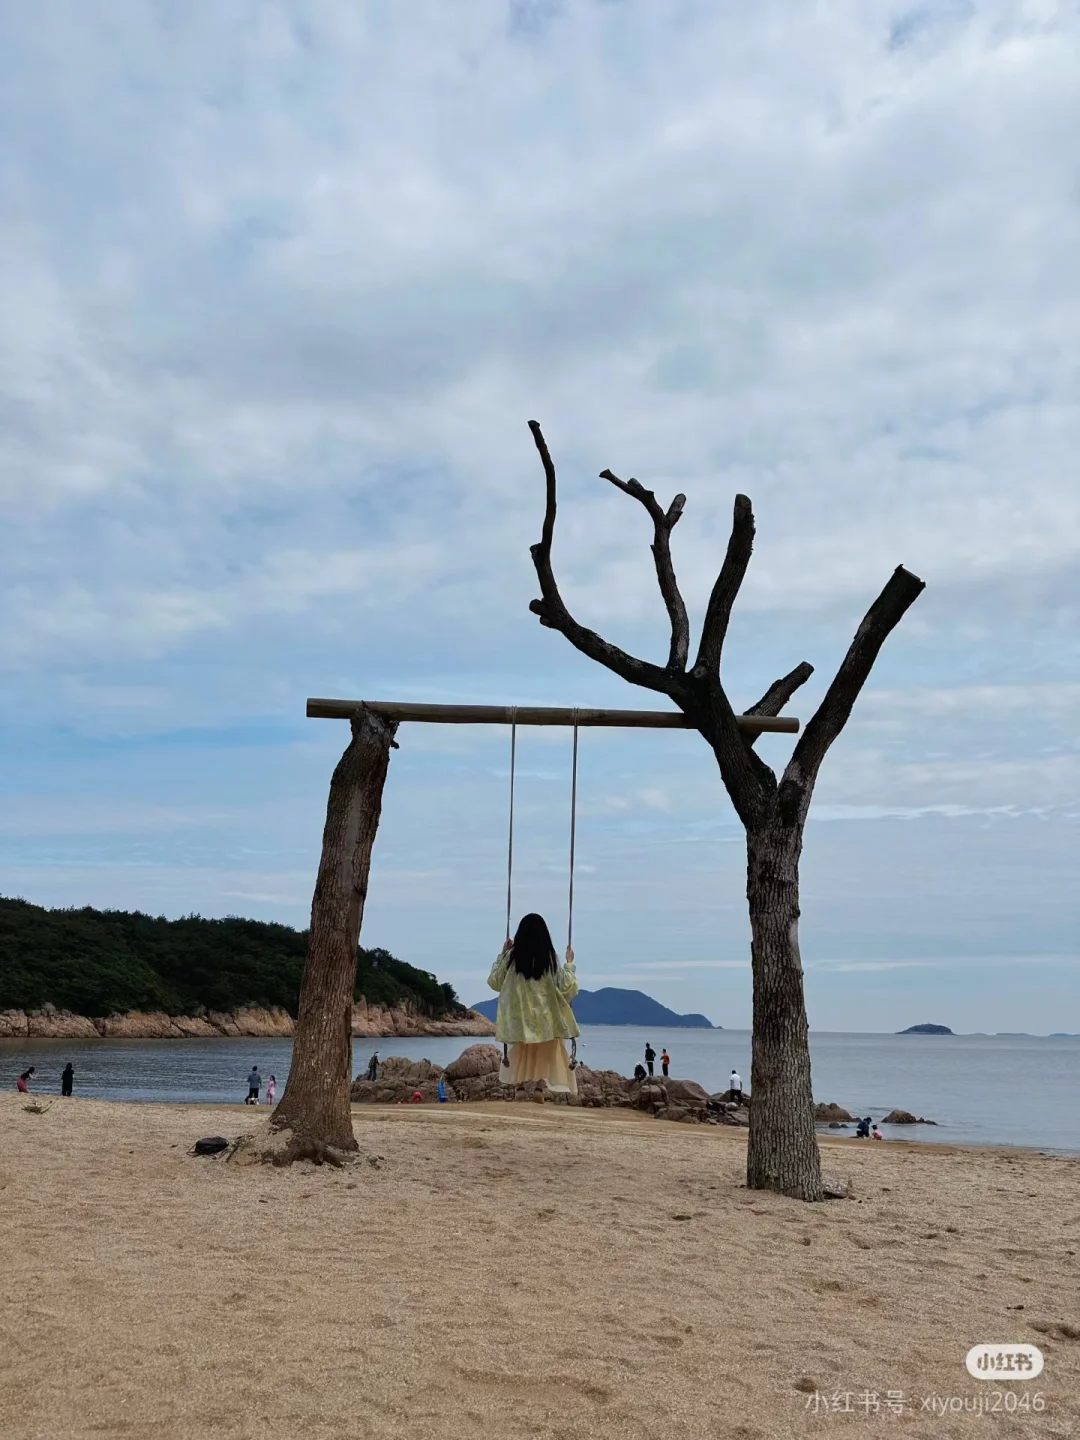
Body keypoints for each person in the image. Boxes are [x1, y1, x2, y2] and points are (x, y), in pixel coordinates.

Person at [488, 913, 580, 1095]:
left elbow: (495, 982)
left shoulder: (513, 958)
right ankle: (539, 1085)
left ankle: (519, 1086)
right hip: (545, 1018)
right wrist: (569, 963)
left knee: (521, 1049)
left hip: (520, 1017)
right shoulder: (550, 958)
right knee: (546, 1049)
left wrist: (502, 954)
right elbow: (568, 986)